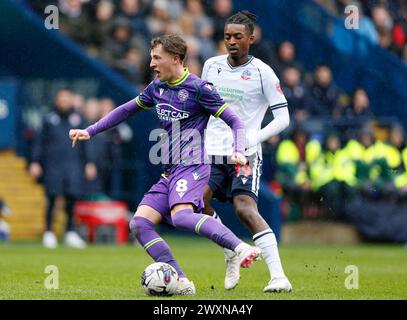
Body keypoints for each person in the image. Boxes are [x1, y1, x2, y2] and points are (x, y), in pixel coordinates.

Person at [69, 34, 260, 295]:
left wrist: (238, 150)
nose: (151, 64)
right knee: (138, 223)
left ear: (175, 59)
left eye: (156, 58)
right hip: (170, 171)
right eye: (151, 57)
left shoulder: (199, 89)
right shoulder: (156, 88)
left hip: (194, 166)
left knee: (182, 216)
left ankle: (240, 247)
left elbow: (235, 121)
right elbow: (126, 110)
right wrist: (90, 130)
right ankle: (181, 281)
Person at [201, 11, 292, 292]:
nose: (231, 41)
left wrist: (255, 137)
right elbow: (203, 108)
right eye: (227, 36)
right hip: (212, 152)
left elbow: (284, 118)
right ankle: (231, 251)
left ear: (251, 38)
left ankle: (279, 277)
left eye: (238, 37)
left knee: (244, 209)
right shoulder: (211, 66)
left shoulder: (263, 72)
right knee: (196, 204)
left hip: (245, 153)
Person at [29, 88, 90, 249]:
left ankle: (70, 232)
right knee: (52, 197)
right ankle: (48, 232)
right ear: (57, 100)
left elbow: (86, 143)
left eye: (66, 98)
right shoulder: (48, 118)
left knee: (72, 197)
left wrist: (88, 163)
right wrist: (35, 162)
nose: (64, 101)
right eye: (61, 98)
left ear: (71, 100)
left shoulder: (78, 119)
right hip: (53, 164)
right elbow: (39, 142)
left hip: (73, 164)